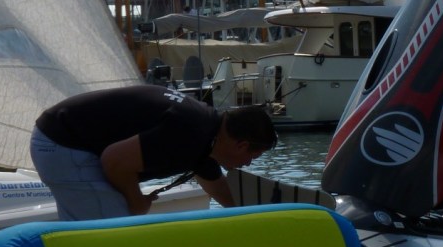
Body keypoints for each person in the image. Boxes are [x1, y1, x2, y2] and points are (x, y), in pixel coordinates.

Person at [30, 86, 278, 221]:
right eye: (252, 157)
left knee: (102, 227)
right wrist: (136, 201)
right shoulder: (190, 132)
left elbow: (216, 186)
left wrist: (254, 219)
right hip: (63, 144)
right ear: (242, 145)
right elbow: (114, 161)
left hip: (63, 139)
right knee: (114, 235)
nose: (247, 163)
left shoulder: (207, 132)